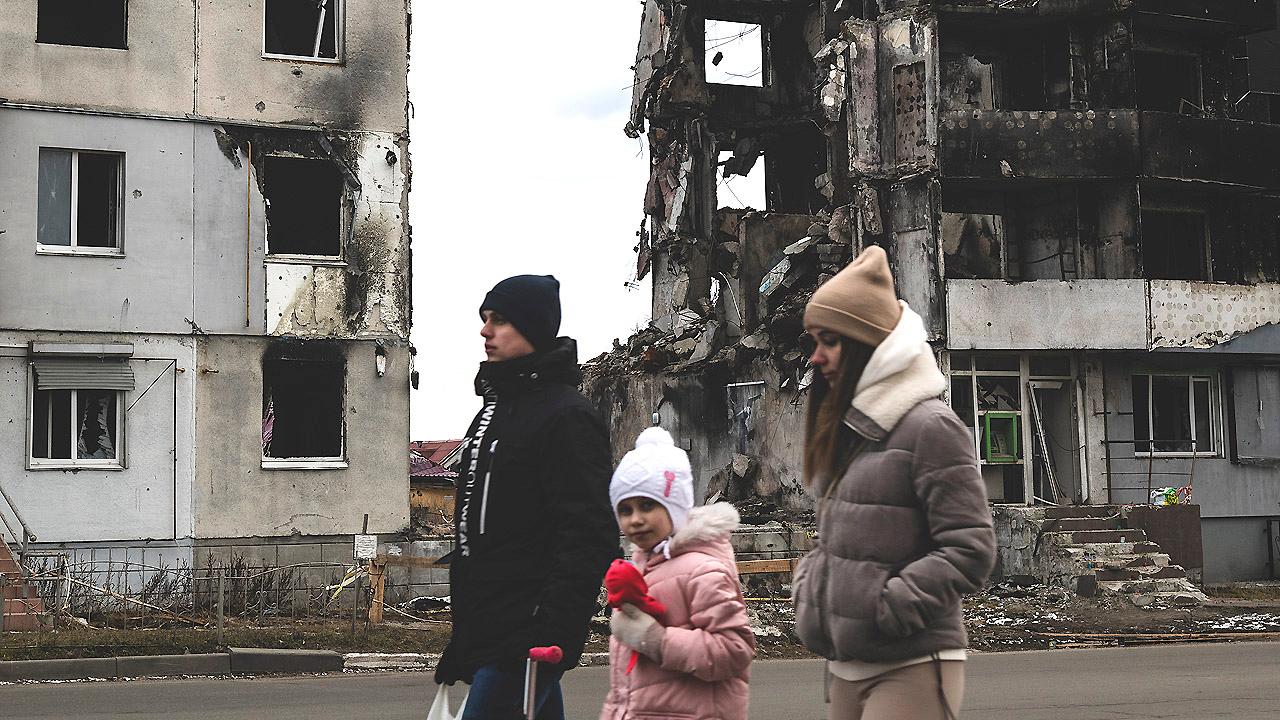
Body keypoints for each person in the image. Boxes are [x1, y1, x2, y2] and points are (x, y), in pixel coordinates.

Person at [790, 246, 996, 720]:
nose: (816, 357)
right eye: (814, 342)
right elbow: (836, 541)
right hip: (845, 664)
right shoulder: (850, 430)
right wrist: (812, 589)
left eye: (830, 341)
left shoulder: (930, 427)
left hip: (912, 662)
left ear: (867, 344)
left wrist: (891, 605)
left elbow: (971, 548)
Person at [435, 274, 619, 720]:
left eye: (499, 320)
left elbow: (590, 532)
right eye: (484, 319)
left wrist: (553, 628)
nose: (485, 330)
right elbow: (479, 532)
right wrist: (466, 636)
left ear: (533, 329)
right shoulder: (493, 413)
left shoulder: (567, 417)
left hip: (529, 635)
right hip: (490, 624)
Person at [599, 427, 755, 720]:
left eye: (647, 505)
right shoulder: (644, 568)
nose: (636, 519)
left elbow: (733, 651)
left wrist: (655, 639)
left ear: (675, 506)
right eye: (625, 509)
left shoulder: (702, 570)